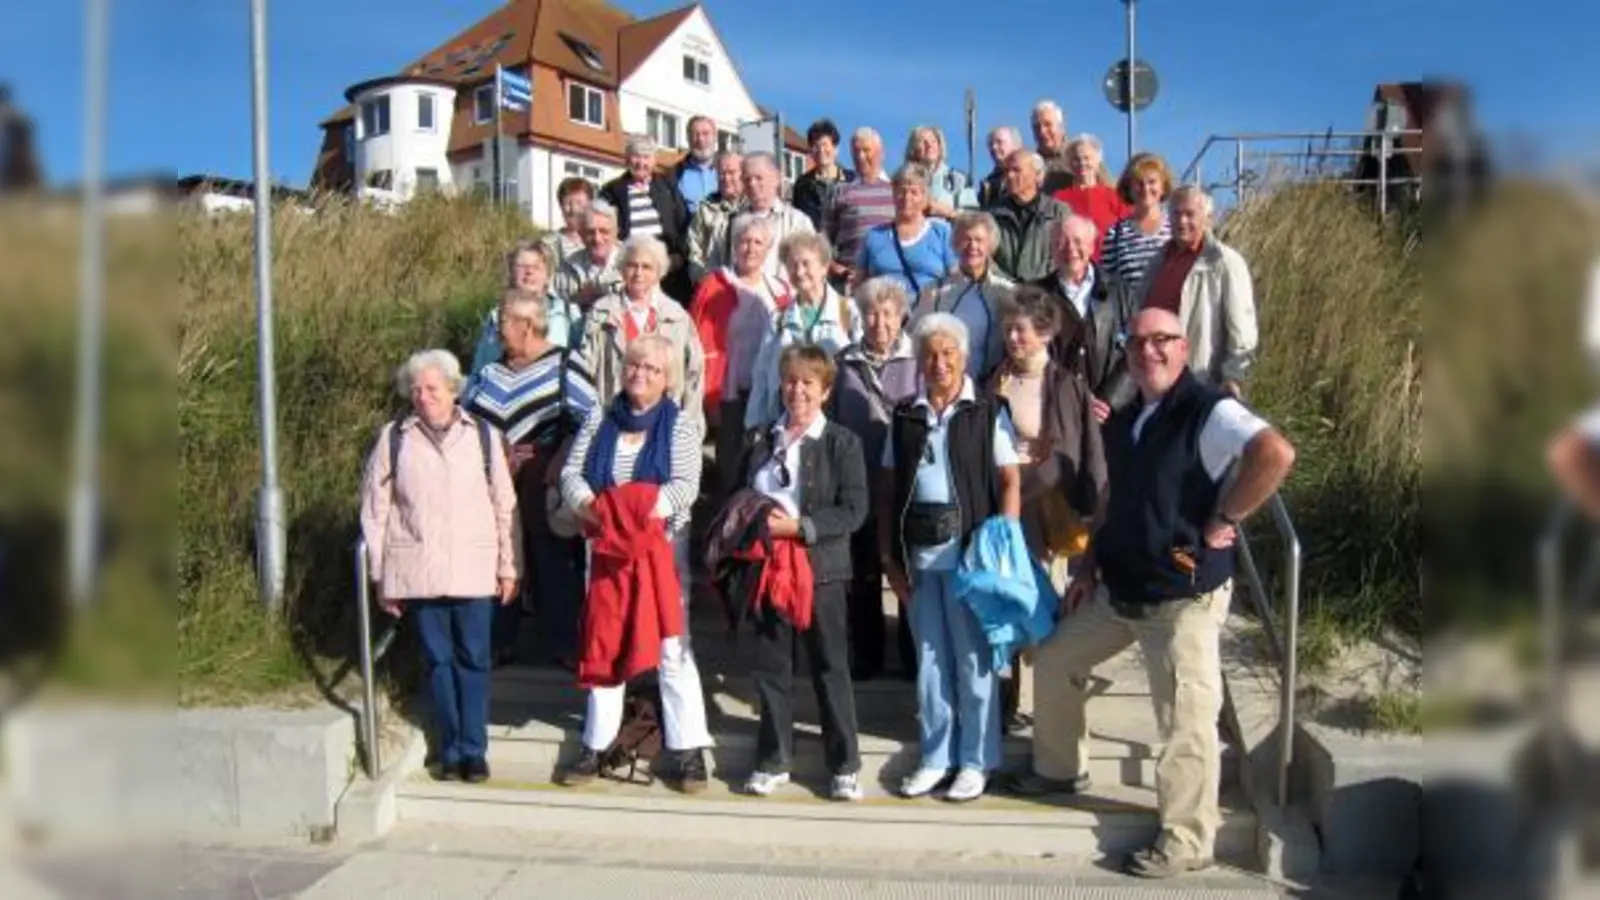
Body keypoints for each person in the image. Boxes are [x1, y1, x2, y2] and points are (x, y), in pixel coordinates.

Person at [1009, 307, 1297, 879]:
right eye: (1136, 343)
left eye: (1161, 341)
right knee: (1057, 658)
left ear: (1184, 348)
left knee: (1186, 719)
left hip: (1182, 597)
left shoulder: (1209, 409)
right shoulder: (1126, 416)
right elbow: (1112, 502)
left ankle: (1188, 840)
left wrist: (1227, 516)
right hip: (1120, 589)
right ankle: (1061, 769)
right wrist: (1089, 566)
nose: (1148, 352)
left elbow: (1276, 453)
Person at [555, 335, 713, 793]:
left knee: (672, 647)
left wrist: (629, 511)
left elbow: (685, 484)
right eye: (633, 365)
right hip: (604, 549)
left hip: (657, 550)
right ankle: (596, 742)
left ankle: (688, 749)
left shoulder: (680, 425)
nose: (640, 373)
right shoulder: (599, 418)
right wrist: (593, 507)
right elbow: (571, 473)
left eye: (651, 368)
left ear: (668, 379)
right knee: (604, 642)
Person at [878, 314, 1022, 803]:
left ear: (964, 358)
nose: (939, 364)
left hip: (969, 556)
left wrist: (1002, 545)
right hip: (919, 557)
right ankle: (936, 756)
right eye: (931, 355)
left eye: (949, 354)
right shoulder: (905, 415)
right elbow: (888, 487)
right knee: (930, 663)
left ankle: (976, 760)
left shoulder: (985, 411)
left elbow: (1009, 480)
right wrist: (889, 560)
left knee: (973, 661)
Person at [360, 349, 518, 783]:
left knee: (475, 659)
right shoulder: (394, 438)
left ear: (453, 389)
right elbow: (375, 510)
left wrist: (508, 566)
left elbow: (504, 504)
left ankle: (475, 749)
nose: (423, 396)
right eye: (416, 389)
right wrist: (380, 575)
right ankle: (450, 749)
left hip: (473, 568)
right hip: (419, 570)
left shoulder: (483, 435)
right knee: (438, 661)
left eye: (432, 388)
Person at [733, 344, 870, 801]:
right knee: (773, 667)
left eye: (808, 382)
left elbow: (854, 510)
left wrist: (800, 528)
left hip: (822, 571)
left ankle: (844, 765)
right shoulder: (759, 438)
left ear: (826, 390)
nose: (798, 391)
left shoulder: (842, 443)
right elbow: (736, 496)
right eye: (791, 381)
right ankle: (774, 760)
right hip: (769, 569)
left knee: (830, 667)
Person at [984, 286, 1108, 730]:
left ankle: (1056, 711)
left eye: (1019, 330)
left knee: (1048, 616)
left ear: (1044, 333)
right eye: (1007, 330)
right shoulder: (995, 378)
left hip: (1045, 516)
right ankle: (1005, 708)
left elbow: (1072, 459)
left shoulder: (1067, 386)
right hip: (1003, 512)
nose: (1012, 339)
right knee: (1006, 611)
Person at [463, 291, 599, 668]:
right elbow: (467, 417)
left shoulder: (564, 363)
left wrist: (560, 458)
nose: (496, 331)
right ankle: (498, 640)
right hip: (495, 477)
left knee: (551, 555)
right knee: (498, 555)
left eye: (502, 322)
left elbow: (589, 418)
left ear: (527, 325)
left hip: (545, 474)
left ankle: (566, 643)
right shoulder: (490, 370)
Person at [830, 277, 919, 680]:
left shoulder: (918, 360)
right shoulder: (843, 362)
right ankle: (866, 656)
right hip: (858, 479)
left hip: (906, 481)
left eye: (887, 313)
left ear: (901, 316)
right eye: (871, 312)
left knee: (905, 568)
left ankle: (911, 655)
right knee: (862, 571)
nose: (879, 321)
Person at [688, 214, 787, 498]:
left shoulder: (780, 290)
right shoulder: (714, 285)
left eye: (758, 242)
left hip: (769, 393)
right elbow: (697, 342)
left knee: (766, 465)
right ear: (733, 245)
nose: (750, 248)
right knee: (730, 466)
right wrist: (707, 397)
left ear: (768, 249)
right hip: (729, 391)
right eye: (744, 241)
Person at [577, 234, 707, 440]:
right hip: (613, 422)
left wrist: (690, 428)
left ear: (659, 272)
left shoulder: (677, 316)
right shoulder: (601, 312)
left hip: (665, 426)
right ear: (621, 269)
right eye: (632, 265)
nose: (638, 273)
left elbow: (694, 374)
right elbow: (585, 371)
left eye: (646, 267)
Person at [1135, 185, 1257, 394]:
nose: (1182, 221)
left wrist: (1234, 377)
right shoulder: (1156, 263)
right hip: (1155, 381)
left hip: (1200, 380)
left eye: (1190, 214)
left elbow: (1242, 330)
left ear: (1207, 218)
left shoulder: (1224, 263)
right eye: (1176, 214)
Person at [745, 232, 863, 429]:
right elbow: (762, 375)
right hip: (788, 418)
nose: (799, 272)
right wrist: (755, 424)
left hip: (836, 421)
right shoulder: (778, 318)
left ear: (824, 267)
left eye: (806, 264)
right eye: (792, 265)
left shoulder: (850, 312)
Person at [1031, 214, 1139, 421]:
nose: (1070, 248)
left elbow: (1136, 350)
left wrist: (1110, 401)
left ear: (1091, 246)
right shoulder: (1037, 296)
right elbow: (1030, 355)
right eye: (1061, 242)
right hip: (1056, 416)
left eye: (1078, 241)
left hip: (1112, 417)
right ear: (1052, 250)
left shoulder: (1121, 293)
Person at [914, 211, 1013, 380]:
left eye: (979, 240)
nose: (972, 246)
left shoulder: (1006, 292)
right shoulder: (935, 291)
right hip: (945, 382)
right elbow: (916, 335)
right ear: (955, 244)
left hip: (990, 385)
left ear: (990, 246)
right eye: (966, 239)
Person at [470, 240, 583, 381]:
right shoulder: (496, 316)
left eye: (536, 267)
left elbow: (579, 364)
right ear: (511, 272)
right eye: (522, 266)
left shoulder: (569, 313)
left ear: (548, 275)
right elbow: (480, 368)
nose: (529, 272)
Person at [599, 135, 692, 304]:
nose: (641, 163)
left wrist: (679, 254)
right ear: (627, 159)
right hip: (633, 267)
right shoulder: (612, 191)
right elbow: (606, 229)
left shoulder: (667, 186)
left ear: (654, 161)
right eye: (636, 156)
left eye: (646, 157)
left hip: (668, 268)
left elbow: (683, 221)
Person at [853, 163, 957, 299]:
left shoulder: (941, 233)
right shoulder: (874, 236)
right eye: (902, 191)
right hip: (883, 314)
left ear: (925, 198)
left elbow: (956, 279)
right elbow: (858, 284)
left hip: (928, 312)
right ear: (893, 194)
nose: (907, 198)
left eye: (914, 192)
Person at [707, 152, 813, 277]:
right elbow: (713, 268)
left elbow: (810, 269)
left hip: (783, 295)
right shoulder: (727, 223)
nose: (752, 184)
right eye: (747, 179)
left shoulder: (797, 222)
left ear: (776, 179)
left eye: (758, 178)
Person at [823, 127, 895, 291]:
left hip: (887, 280)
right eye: (856, 151)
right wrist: (832, 266)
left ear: (881, 152)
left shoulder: (897, 192)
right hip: (849, 281)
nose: (861, 156)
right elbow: (823, 240)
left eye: (866, 150)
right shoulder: (839, 191)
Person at [991, 150, 1071, 284]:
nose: (1009, 176)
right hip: (1005, 294)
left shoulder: (1058, 212)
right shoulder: (993, 214)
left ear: (1037, 175)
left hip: (1047, 294)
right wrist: (1007, 283)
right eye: (1006, 171)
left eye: (1016, 170)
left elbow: (1066, 251)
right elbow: (988, 255)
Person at [1102, 152, 1175, 298]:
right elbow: (1106, 285)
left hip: (1171, 316)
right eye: (1139, 183)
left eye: (1152, 182)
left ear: (1163, 186)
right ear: (1129, 188)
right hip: (1132, 317)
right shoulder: (1115, 234)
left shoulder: (1176, 228)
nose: (1145, 188)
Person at [1050, 135, 1128, 260]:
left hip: (1109, 264)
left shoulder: (1114, 196)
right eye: (1076, 159)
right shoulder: (1060, 198)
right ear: (1069, 163)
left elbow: (1127, 230)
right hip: (1073, 263)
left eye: (1087, 158)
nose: (1082, 163)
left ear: (1098, 161)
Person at [553, 201, 624, 311]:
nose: (597, 238)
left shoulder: (635, 265)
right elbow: (555, 312)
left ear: (616, 233)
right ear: (581, 234)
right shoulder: (566, 268)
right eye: (590, 232)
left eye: (604, 231)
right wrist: (578, 299)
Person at [686, 150, 744, 284]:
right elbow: (694, 246)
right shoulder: (706, 207)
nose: (726, 178)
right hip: (713, 284)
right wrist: (701, 277)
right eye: (721, 173)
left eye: (731, 172)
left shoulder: (752, 206)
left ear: (743, 173)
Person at [791, 118, 855, 230]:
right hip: (816, 244)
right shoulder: (802, 185)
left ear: (836, 149)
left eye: (825, 145)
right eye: (816, 146)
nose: (821, 150)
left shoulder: (853, 181)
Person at [904, 125, 972, 219]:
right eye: (923, 142)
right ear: (913, 149)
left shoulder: (957, 178)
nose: (929, 145)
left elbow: (972, 216)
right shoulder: (904, 180)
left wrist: (948, 212)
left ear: (940, 147)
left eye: (933, 141)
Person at [673, 115, 720, 217]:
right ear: (688, 139)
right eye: (695, 134)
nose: (700, 139)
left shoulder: (727, 170)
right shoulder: (675, 175)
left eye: (705, 134)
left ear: (715, 137)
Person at [543, 177, 595, 265]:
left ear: (591, 205)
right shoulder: (547, 246)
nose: (573, 209)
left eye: (579, 203)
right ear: (561, 206)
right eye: (568, 203)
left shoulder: (602, 241)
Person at [1031, 100, 1074, 195]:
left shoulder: (1082, 156)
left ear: (1061, 127)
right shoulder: (1029, 164)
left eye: (1047, 125)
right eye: (1037, 127)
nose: (1042, 131)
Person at [977, 126, 1022, 210]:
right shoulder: (989, 184)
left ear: (1015, 145)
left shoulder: (1029, 174)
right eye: (991, 144)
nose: (994, 147)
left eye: (999, 142)